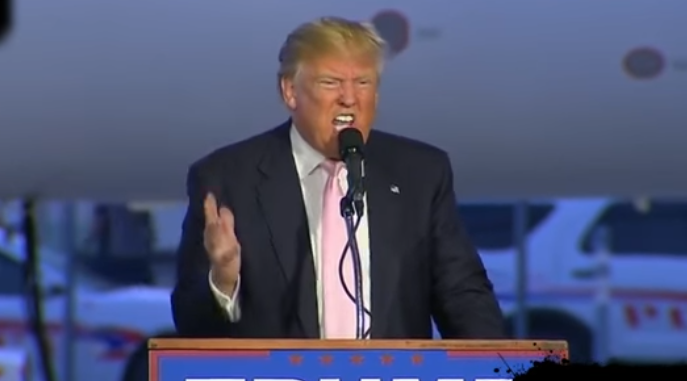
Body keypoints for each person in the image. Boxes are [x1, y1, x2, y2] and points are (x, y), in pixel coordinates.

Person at [171, 16, 505, 339]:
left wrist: (496, 370)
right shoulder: (228, 178)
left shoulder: (420, 174)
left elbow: (463, 295)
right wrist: (223, 281)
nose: (349, 97)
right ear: (290, 91)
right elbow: (191, 325)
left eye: (363, 82)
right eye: (330, 82)